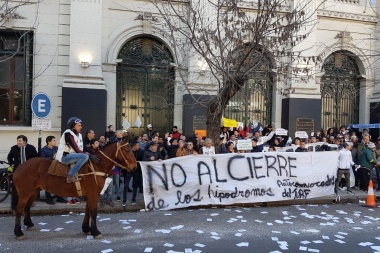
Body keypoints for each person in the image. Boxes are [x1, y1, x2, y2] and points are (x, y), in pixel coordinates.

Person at [56, 117, 97, 183]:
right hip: (65, 157)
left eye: (81, 125)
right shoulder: (68, 133)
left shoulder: (79, 135)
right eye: (79, 125)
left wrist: (90, 153)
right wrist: (88, 155)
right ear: (73, 126)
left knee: (86, 156)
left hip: (73, 156)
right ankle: (70, 176)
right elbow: (76, 149)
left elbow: (81, 148)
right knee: (85, 156)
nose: (81, 127)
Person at [7, 135, 38, 211]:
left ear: (24, 141)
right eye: (17, 140)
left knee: (29, 187)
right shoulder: (14, 148)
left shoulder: (31, 148)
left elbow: (36, 158)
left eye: (20, 140)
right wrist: (12, 163)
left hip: (29, 172)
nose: (18, 142)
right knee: (17, 187)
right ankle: (16, 202)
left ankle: (29, 201)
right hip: (18, 171)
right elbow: (9, 157)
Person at [121, 141, 143, 207]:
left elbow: (143, 159)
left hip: (136, 171)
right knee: (126, 185)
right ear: (133, 146)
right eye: (137, 145)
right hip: (128, 170)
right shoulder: (128, 152)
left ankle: (134, 199)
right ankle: (124, 200)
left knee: (135, 186)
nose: (138, 146)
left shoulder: (140, 151)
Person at [39, 135, 59, 205]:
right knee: (48, 184)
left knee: (58, 182)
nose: (55, 142)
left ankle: (59, 197)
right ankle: (48, 198)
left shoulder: (57, 148)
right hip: (47, 168)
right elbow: (43, 160)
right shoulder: (43, 150)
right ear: (49, 142)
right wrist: (52, 157)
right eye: (53, 140)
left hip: (57, 167)